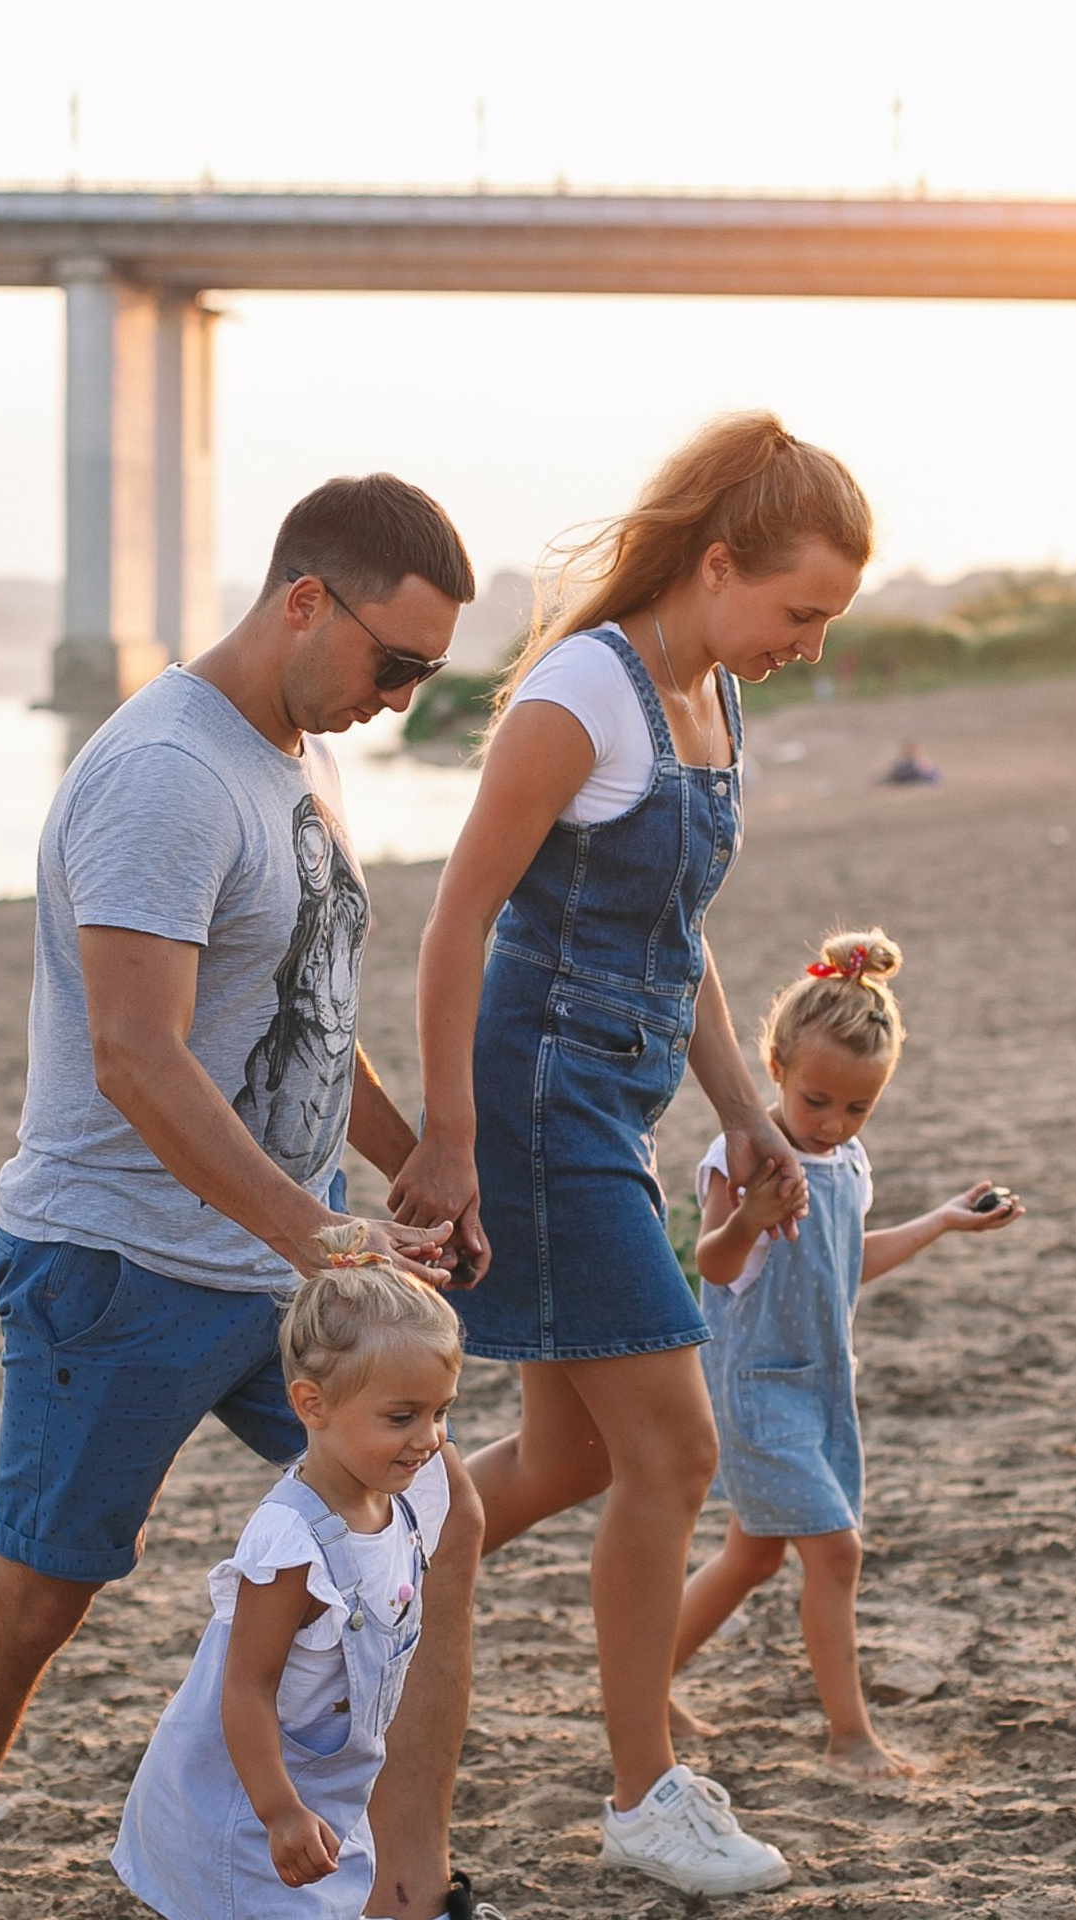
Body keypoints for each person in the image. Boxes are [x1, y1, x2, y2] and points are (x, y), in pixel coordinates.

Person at [0, 475, 496, 1920]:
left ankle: (407, 1886)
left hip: (277, 1266)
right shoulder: (166, 776)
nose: (401, 698)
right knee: (41, 1595)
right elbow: (137, 1057)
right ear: (304, 601)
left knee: (437, 1519)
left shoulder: (296, 750)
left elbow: (301, 1011)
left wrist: (406, 1157)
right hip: (122, 1265)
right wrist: (322, 1231)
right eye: (393, 663)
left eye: (430, 675)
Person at [388, 412, 873, 1896]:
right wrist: (451, 1139)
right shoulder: (577, 697)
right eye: (797, 609)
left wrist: (738, 1106)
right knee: (674, 1445)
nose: (806, 642)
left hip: (623, 1104)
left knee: (569, 1451)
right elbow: (457, 918)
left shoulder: (713, 687)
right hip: (535, 1110)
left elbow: (680, 942)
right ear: (718, 561)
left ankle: (352, 1558)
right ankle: (644, 1790)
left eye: (829, 621)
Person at [671, 929, 1024, 1779]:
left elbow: (847, 1259)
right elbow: (713, 1265)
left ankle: (644, 1679)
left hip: (823, 1385)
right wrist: (751, 1213)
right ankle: (849, 1737)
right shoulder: (744, 1151)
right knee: (837, 1552)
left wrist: (941, 1219)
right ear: (778, 1067)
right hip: (754, 1385)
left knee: (753, 1552)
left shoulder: (848, 1162)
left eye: (858, 1108)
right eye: (818, 1101)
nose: (834, 1123)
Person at [113, 1221, 497, 1919]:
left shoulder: (400, 1506)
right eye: (402, 1416)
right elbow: (246, 1688)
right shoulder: (292, 1543)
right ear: (310, 1404)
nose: (429, 1439)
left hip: (330, 1807)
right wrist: (279, 1810)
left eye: (442, 1412)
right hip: (250, 1817)